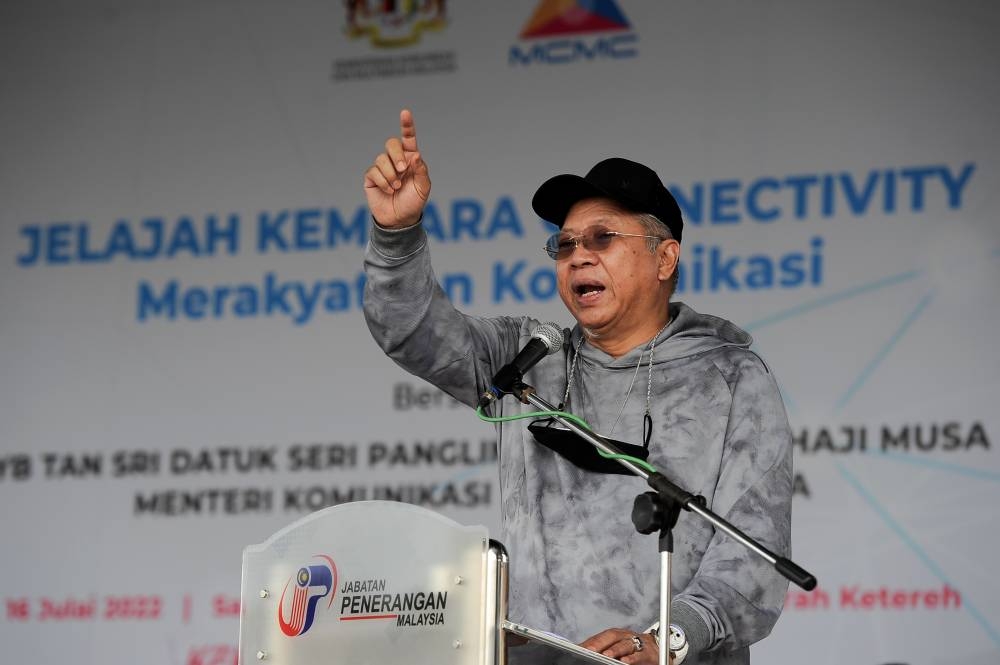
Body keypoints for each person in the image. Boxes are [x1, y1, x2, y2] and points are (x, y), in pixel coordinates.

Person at [362, 109, 793, 665]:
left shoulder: (731, 377)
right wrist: (396, 236)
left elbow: (753, 558)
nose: (578, 256)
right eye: (564, 245)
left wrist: (667, 641)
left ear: (664, 258)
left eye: (602, 238)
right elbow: (410, 331)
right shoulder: (528, 360)